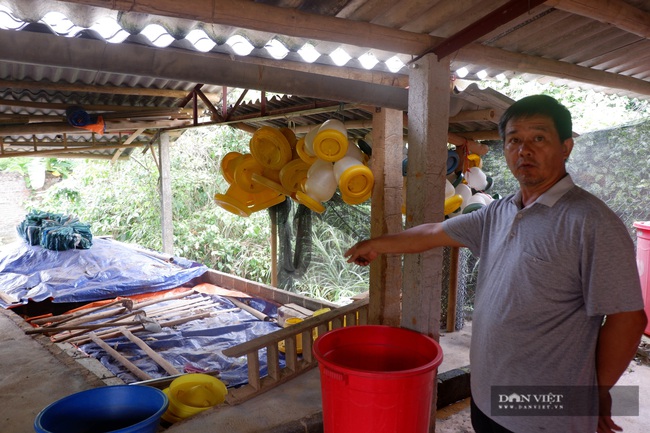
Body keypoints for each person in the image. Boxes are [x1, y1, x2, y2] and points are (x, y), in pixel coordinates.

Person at [344, 95, 647, 433]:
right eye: (514, 140)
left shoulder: (590, 221)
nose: (524, 150)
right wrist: (375, 245)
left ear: (566, 147)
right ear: (504, 150)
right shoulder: (498, 212)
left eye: (539, 138)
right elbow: (433, 232)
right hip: (488, 399)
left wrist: (596, 393)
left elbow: (629, 319)